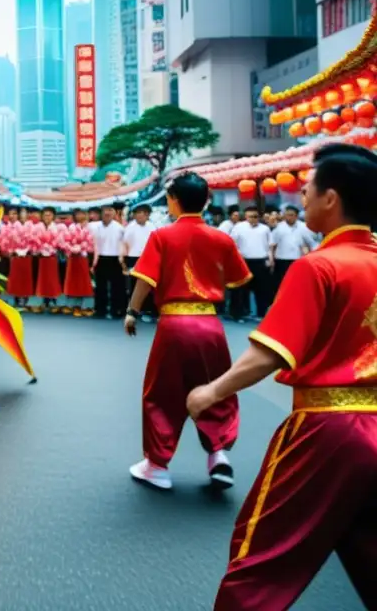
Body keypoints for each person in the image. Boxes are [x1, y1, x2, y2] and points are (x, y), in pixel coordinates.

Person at [187, 144, 377, 610]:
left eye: (307, 191)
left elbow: (270, 354)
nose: (301, 199)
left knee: (261, 560)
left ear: (331, 199)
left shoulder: (320, 266)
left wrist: (210, 391)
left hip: (328, 431)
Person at [124, 173, 252, 491]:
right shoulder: (221, 238)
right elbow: (238, 278)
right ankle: (218, 452)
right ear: (206, 200)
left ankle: (157, 465)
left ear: (174, 201)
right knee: (216, 388)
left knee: (163, 394)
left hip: (174, 325)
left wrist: (132, 312)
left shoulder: (162, 236)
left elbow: (146, 280)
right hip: (210, 326)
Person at [231, 205, 273, 321]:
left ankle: (260, 313)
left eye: (255, 216)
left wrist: (270, 259)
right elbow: (233, 244)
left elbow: (269, 246)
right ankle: (240, 313)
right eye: (250, 216)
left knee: (262, 289)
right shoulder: (239, 227)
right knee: (241, 289)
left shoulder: (264, 229)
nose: (253, 219)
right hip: (244, 261)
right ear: (245, 216)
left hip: (260, 260)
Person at [121, 204, 157, 321]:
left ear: (147, 215)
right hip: (133, 258)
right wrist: (124, 262)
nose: (139, 215)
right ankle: (134, 310)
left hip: (149, 258)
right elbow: (125, 244)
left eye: (142, 213)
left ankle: (148, 310)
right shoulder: (130, 227)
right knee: (134, 285)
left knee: (148, 284)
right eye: (136, 213)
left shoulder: (152, 226)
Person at [268, 204, 315, 292]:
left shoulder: (304, 227)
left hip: (298, 260)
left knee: (298, 285)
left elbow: (312, 243)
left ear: (296, 216)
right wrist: (271, 260)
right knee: (281, 285)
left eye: (291, 215)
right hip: (281, 260)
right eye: (286, 215)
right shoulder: (278, 227)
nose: (288, 217)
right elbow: (272, 245)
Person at [92, 202, 126, 318]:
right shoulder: (94, 226)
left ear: (114, 213)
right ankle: (100, 310)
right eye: (105, 210)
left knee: (117, 286)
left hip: (115, 259)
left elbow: (124, 245)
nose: (107, 213)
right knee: (100, 286)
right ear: (101, 212)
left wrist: (122, 261)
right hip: (100, 259)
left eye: (110, 210)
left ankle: (116, 310)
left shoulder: (120, 228)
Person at [62, 208, 95, 316]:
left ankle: (86, 306)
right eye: (78, 213)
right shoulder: (70, 227)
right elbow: (65, 240)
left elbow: (90, 242)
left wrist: (80, 247)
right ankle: (72, 305)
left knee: (84, 282)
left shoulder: (90, 227)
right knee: (72, 281)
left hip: (83, 257)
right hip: (72, 257)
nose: (80, 215)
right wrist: (71, 248)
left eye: (82, 213)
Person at [32, 207, 64, 313]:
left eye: (49, 215)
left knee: (52, 280)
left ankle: (54, 301)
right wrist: (39, 248)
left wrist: (51, 248)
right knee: (41, 280)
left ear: (53, 216)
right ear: (42, 216)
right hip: (41, 257)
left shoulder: (58, 228)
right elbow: (33, 241)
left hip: (52, 257)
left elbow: (61, 242)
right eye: (45, 215)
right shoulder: (37, 227)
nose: (47, 217)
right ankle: (42, 301)